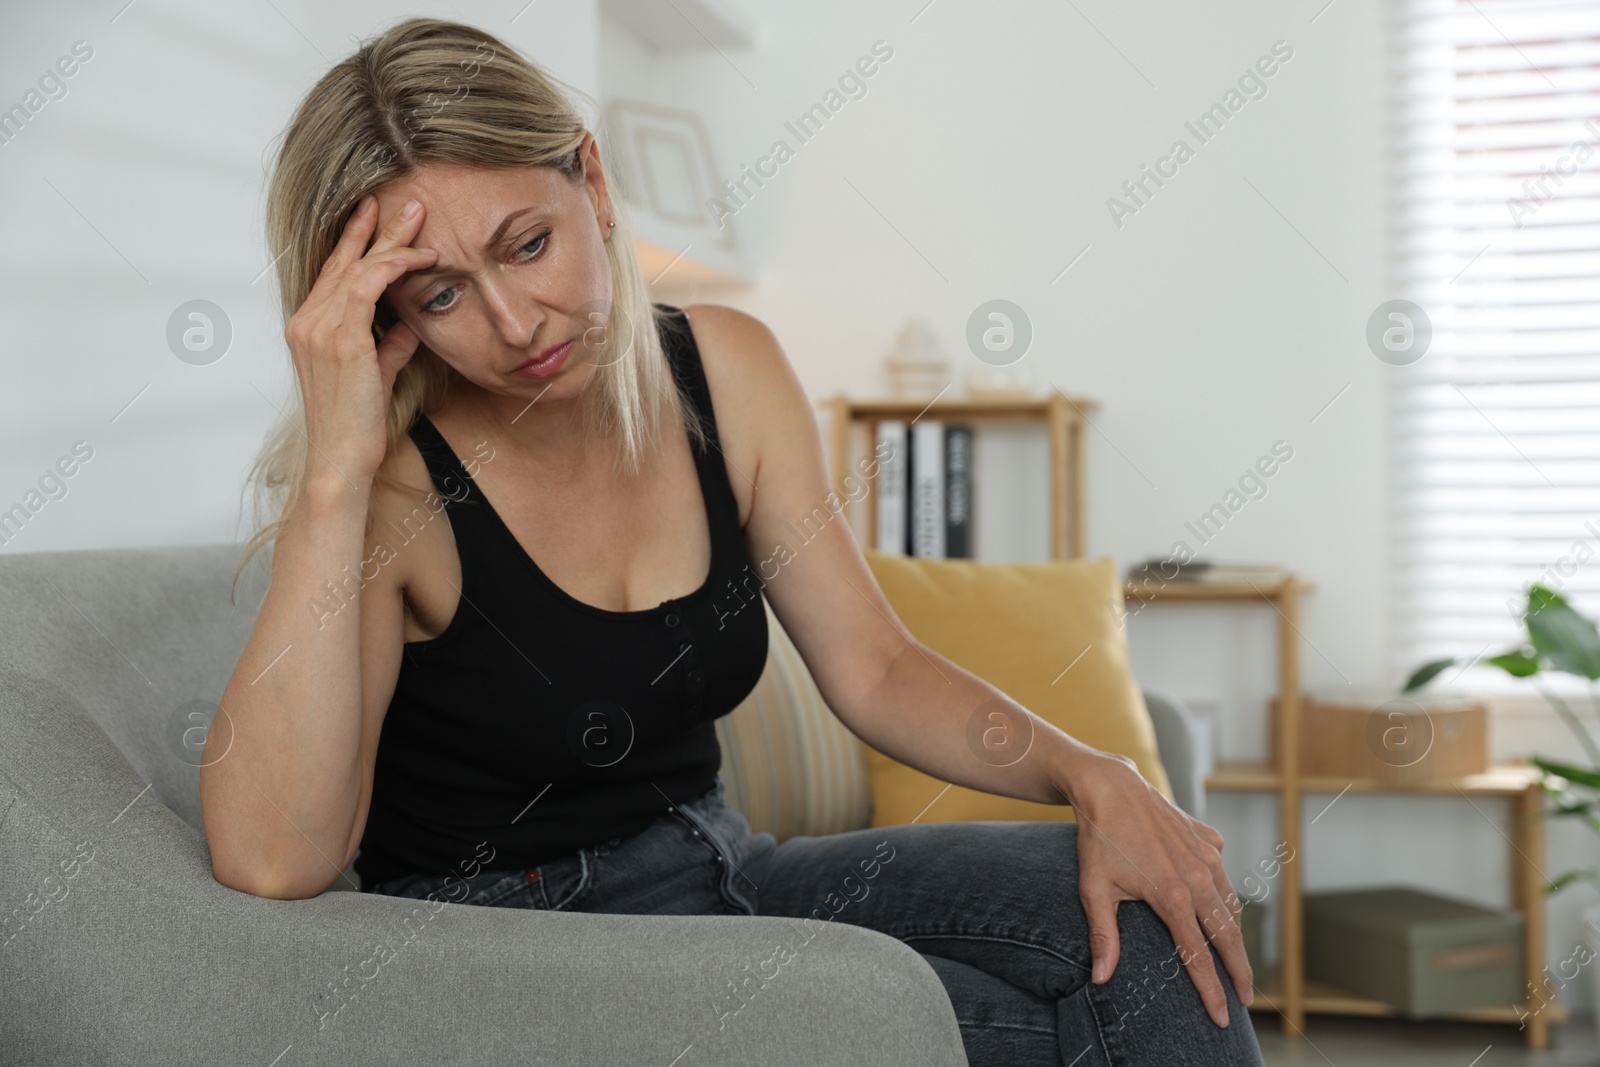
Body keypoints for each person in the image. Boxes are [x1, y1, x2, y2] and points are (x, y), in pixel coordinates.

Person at [200, 16, 1266, 1066]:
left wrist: (1093, 773)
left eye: (528, 245)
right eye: (441, 293)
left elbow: (877, 666)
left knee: (1143, 909)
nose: (517, 322)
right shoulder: (391, 491)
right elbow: (274, 857)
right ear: (384, 318)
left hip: (720, 866)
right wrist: (335, 473)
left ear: (594, 186)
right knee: (949, 1014)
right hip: (519, 949)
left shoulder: (724, 370)